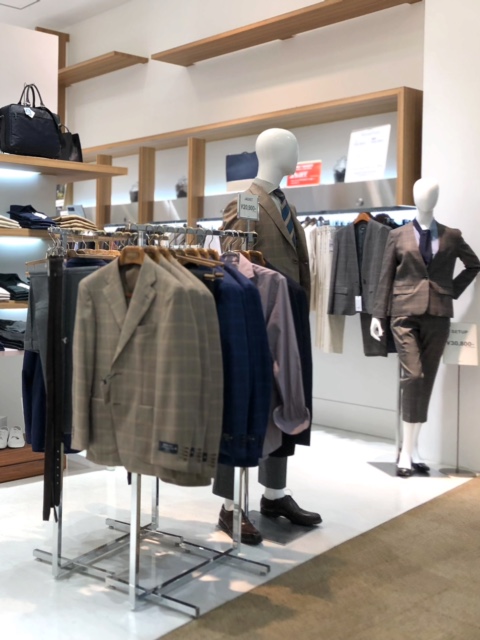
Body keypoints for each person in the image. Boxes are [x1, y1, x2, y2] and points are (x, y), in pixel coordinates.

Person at [214, 128, 321, 545]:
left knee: (287, 402)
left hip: (289, 316)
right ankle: (229, 506)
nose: (297, 154)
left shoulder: (283, 203)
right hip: (255, 319)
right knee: (243, 407)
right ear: (274, 152)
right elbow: (233, 264)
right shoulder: (245, 203)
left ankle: (274, 494)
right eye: (294, 147)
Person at [370, 178, 480, 477]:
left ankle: (414, 448)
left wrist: (449, 290)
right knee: (413, 375)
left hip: (438, 314)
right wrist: (378, 315)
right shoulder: (397, 235)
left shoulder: (451, 236)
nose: (425, 199)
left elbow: (474, 265)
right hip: (403, 313)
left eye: (431, 194)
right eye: (421, 194)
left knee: (427, 378)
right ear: (414, 197)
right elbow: (385, 276)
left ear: (436, 198)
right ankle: (406, 452)